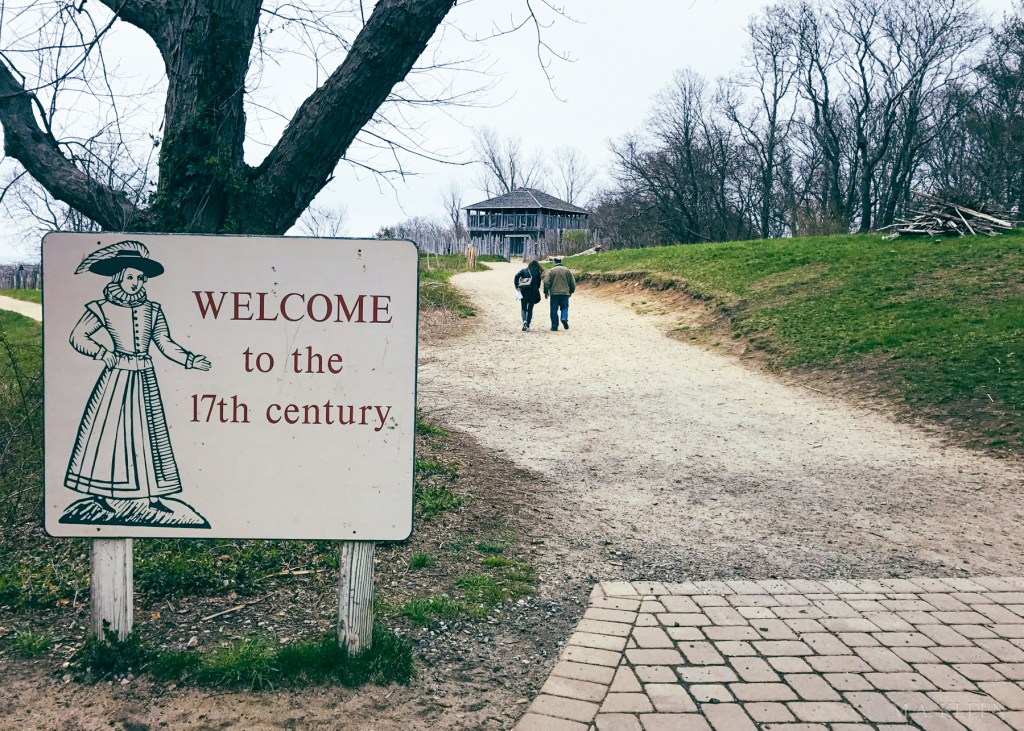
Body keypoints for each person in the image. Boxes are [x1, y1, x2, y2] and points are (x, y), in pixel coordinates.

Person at [64, 240, 212, 516]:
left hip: (145, 376)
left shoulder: (152, 310)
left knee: (150, 434)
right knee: (110, 433)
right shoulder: (102, 308)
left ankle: (153, 495)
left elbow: (165, 343)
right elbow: (77, 336)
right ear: (118, 277)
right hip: (117, 379)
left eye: (139, 278)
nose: (135, 282)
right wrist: (100, 352)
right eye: (129, 276)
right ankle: (100, 492)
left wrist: (190, 360)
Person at [543, 256, 576, 331]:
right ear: (561, 262)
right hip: (565, 293)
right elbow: (572, 282)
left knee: (553, 310)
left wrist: (546, 291)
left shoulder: (551, 270)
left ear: (554, 262)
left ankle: (554, 326)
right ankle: (564, 318)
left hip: (554, 294)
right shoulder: (567, 270)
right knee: (564, 308)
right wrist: (571, 291)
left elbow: (546, 282)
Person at [514, 259, 543, 331]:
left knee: (523, 308)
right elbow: (539, 284)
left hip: (524, 292)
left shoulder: (524, 271)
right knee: (530, 309)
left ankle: (524, 321)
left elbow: (516, 276)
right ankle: (527, 325)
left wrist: (517, 286)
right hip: (533, 293)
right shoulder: (537, 273)